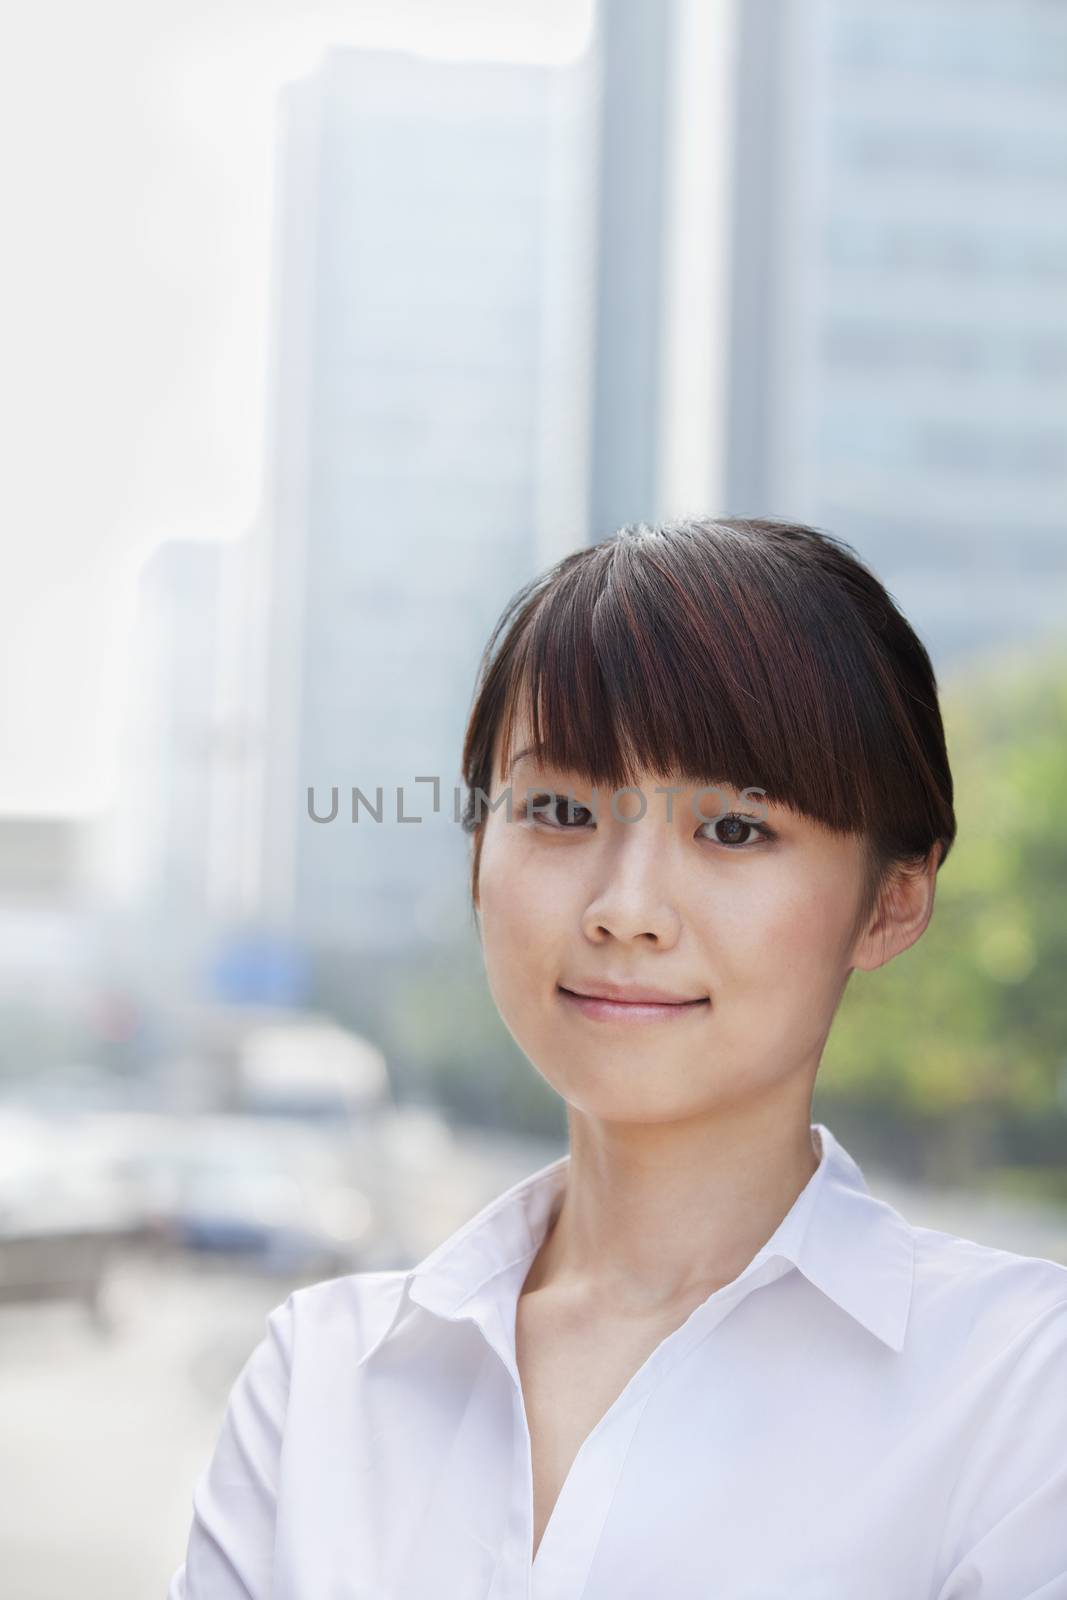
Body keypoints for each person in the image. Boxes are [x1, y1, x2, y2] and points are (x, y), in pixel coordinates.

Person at [168, 517, 1067, 1599]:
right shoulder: (319, 1379)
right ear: (475, 855)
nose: (624, 909)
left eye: (732, 829)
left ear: (890, 899)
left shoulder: (1019, 1388)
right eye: (557, 809)